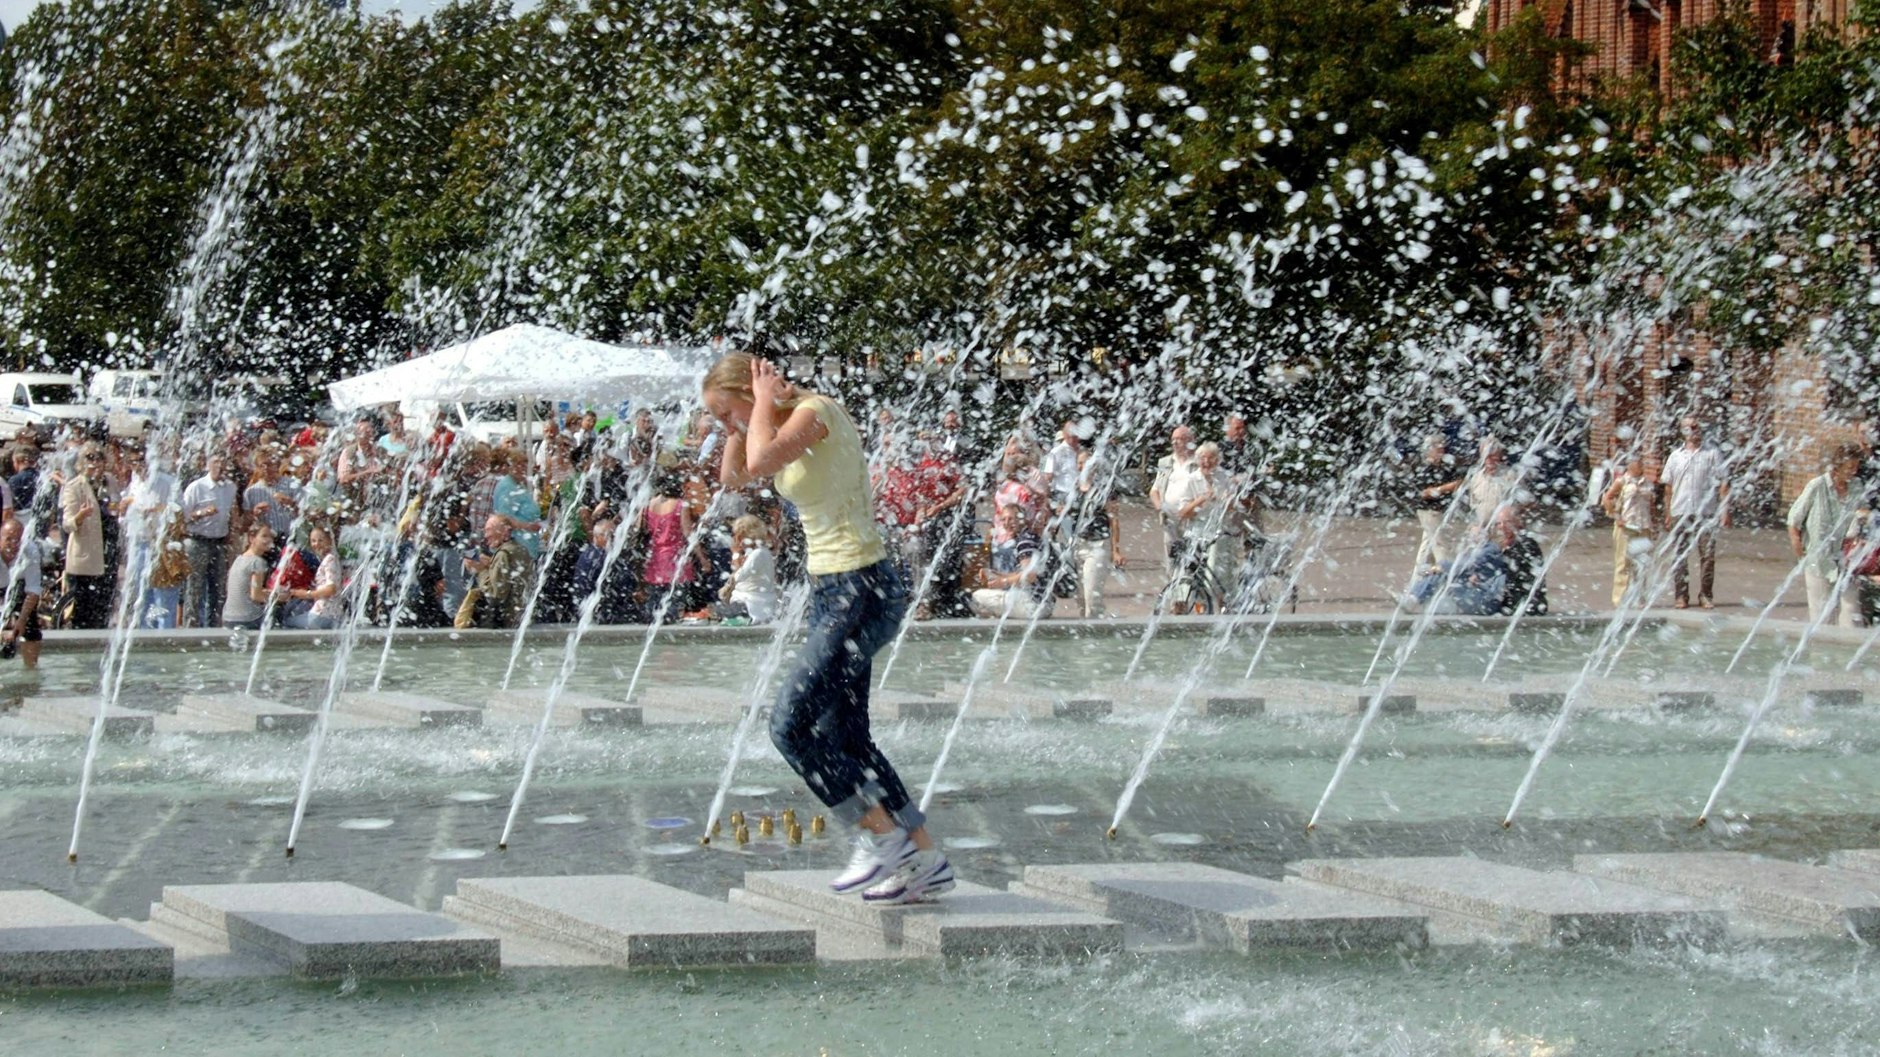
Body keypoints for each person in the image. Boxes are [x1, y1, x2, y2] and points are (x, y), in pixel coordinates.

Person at [703, 350, 951, 905]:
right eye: (718, 420)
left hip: (860, 587)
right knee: (847, 737)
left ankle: (880, 837)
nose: (728, 425)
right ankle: (927, 859)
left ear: (753, 390)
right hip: (832, 592)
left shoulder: (816, 412)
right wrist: (739, 422)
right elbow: (734, 477)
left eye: (728, 412)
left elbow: (764, 459)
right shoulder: (772, 422)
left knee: (789, 725)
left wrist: (761, 403)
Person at [1787, 443, 1866, 628]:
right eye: (1849, 467)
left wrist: (1864, 518)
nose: (1853, 472)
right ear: (1837, 466)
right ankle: (1819, 655)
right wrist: (1799, 548)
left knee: (1852, 613)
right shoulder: (1817, 486)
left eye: (1856, 467)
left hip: (1846, 559)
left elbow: (1860, 512)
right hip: (1818, 560)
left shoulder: (1857, 486)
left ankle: (1848, 654)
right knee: (1822, 618)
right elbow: (1794, 520)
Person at [1661, 416, 1730, 610]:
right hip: (1680, 511)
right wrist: (1667, 513)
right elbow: (1668, 487)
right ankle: (1681, 596)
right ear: (1682, 431)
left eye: (1696, 426)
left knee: (1708, 555)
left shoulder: (1712, 453)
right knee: (1680, 555)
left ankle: (1706, 595)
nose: (1694, 430)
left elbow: (1724, 483)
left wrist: (1724, 510)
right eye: (1689, 427)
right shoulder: (1675, 456)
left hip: (1706, 512)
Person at [181, 453, 238, 627]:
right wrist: (201, 513)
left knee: (219, 588)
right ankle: (190, 627)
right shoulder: (196, 487)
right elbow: (183, 519)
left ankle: (214, 626)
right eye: (215, 462)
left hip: (219, 542)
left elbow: (232, 514)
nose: (219, 466)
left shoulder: (230, 488)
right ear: (207, 465)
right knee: (194, 587)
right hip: (198, 541)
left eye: (222, 462)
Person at [970, 502, 1055, 619]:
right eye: (1003, 520)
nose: (1006, 523)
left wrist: (1003, 581)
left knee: (976, 597)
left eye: (1011, 519)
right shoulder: (1030, 537)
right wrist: (997, 575)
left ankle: (1000, 633)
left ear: (1021, 519)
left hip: (1032, 606)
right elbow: (1027, 573)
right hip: (1044, 603)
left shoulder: (1025, 542)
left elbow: (1030, 576)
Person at [59, 443, 112, 629]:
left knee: (104, 607)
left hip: (108, 554)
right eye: (90, 457)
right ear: (81, 462)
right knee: (83, 611)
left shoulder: (110, 482)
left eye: (99, 457)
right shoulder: (74, 486)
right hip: (86, 558)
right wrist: (80, 516)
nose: (95, 461)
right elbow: (67, 523)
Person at [1070, 447, 1125, 619]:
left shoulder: (1105, 488)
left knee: (1092, 597)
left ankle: (1096, 633)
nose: (1082, 466)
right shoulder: (1075, 487)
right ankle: (1085, 632)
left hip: (1097, 546)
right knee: (1080, 598)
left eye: (1085, 462)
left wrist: (1116, 550)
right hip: (1077, 545)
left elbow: (1114, 520)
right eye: (1079, 463)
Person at [1601, 455, 1657, 607]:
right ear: (1630, 466)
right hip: (1626, 527)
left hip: (1643, 526)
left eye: (1642, 463)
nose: (1641, 466)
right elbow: (1606, 499)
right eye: (1638, 464)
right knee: (1623, 563)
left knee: (1641, 563)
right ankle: (1620, 598)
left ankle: (1640, 597)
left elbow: (1651, 506)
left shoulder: (1648, 483)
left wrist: (1655, 525)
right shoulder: (1622, 481)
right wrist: (1616, 516)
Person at [463, 515, 536, 629]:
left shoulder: (503, 554)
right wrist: (490, 565)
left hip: (507, 621)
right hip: (522, 616)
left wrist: (481, 571)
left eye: (488, 530)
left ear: (505, 531)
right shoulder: (520, 549)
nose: (486, 535)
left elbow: (495, 595)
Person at [1409, 433, 1461, 575]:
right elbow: (1424, 493)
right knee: (1441, 545)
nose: (1442, 452)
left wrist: (1444, 488)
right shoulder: (1423, 467)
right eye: (1438, 449)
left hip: (1442, 510)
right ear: (1429, 449)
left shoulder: (1445, 466)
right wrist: (1445, 488)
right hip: (1428, 511)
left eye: (1442, 448)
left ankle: (1417, 581)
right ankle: (1447, 573)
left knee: (1427, 547)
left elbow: (1458, 483)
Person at [714, 514, 781, 623]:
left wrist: (735, 554)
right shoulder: (758, 553)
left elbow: (740, 575)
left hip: (751, 604)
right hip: (753, 602)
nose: (735, 539)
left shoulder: (759, 553)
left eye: (737, 535)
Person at [1149, 424, 1198, 575]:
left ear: (1190, 441)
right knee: (1172, 559)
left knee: (1191, 559)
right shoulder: (1165, 462)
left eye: (1180, 439)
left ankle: (1186, 593)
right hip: (1170, 519)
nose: (1175, 443)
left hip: (1191, 518)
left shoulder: (1197, 462)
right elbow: (1154, 490)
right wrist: (1160, 507)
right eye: (1173, 439)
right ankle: (1173, 593)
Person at [1, 518, 44, 668]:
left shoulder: (30, 551)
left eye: (17, 540)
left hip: (18, 585)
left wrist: (22, 620)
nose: (13, 544)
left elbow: (33, 590)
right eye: (8, 539)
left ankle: (31, 671)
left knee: (30, 625)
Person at [283, 526, 343, 630]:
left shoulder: (330, 559)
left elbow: (331, 588)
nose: (316, 544)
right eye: (313, 541)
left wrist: (307, 594)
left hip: (322, 615)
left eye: (321, 540)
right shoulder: (328, 559)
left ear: (329, 540)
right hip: (330, 614)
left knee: (286, 621)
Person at [221, 523, 274, 630]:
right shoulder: (257, 562)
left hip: (228, 618)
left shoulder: (239, 559)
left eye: (271, 537)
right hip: (248, 619)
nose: (269, 540)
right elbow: (256, 596)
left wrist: (267, 592)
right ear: (252, 538)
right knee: (283, 613)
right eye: (264, 536)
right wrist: (276, 598)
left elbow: (244, 590)